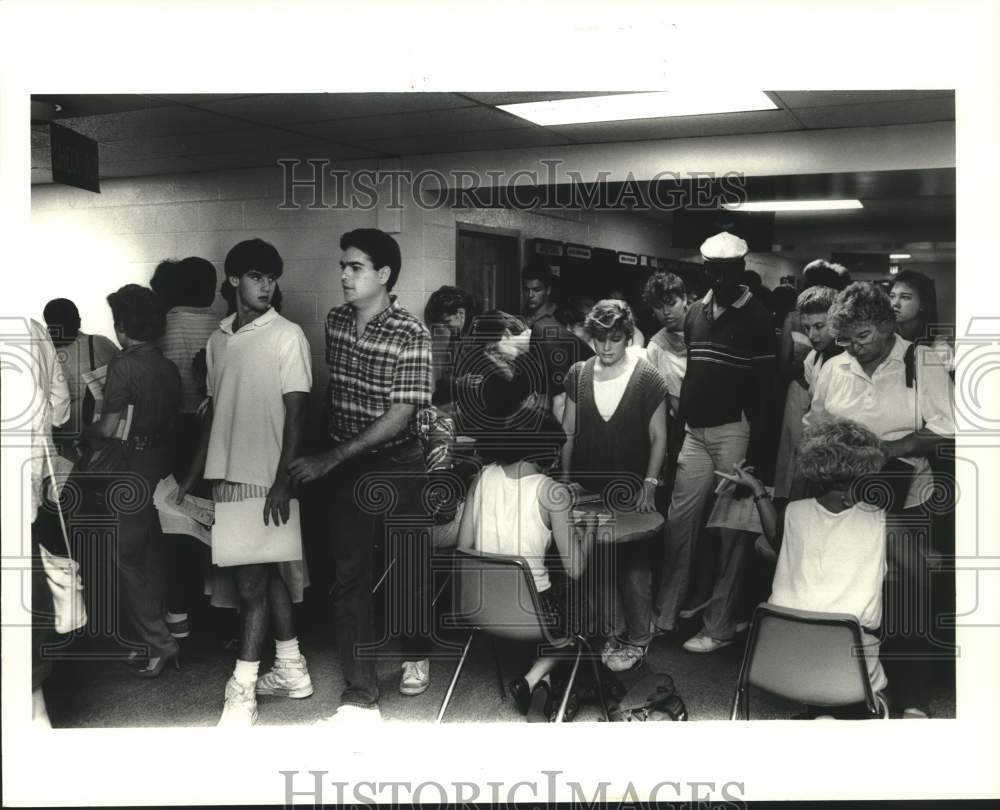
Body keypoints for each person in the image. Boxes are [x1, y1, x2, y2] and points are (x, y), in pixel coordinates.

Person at [288, 228, 434, 725]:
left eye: (355, 267)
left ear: (384, 274)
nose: (345, 275)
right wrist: (320, 448)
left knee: (407, 566)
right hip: (347, 465)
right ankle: (360, 693)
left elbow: (400, 415)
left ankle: (416, 652)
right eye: (343, 266)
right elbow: (337, 392)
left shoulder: (411, 333)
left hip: (399, 462)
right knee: (350, 576)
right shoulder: (335, 321)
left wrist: (332, 456)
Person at [176, 239, 313, 726]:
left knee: (251, 584)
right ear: (233, 280)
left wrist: (283, 480)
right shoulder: (218, 340)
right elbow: (214, 417)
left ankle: (243, 688)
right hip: (226, 478)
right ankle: (292, 667)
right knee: (267, 576)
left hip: (267, 478)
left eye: (272, 277)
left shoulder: (287, 335)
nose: (266, 285)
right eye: (256, 276)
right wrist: (189, 480)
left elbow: (298, 414)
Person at [804, 281, 955, 717]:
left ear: (888, 325)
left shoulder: (920, 360)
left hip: (905, 495)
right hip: (846, 494)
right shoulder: (836, 366)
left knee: (909, 592)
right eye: (845, 339)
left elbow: (947, 427)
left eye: (863, 337)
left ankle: (914, 697)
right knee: (851, 591)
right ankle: (848, 691)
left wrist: (892, 448)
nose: (854, 347)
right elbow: (816, 424)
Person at [653, 231, 776, 651]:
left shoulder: (758, 318)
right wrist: (675, 441)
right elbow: (693, 379)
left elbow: (765, 393)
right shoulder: (695, 315)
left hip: (734, 432)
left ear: (741, 269)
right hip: (694, 434)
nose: (718, 279)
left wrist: (758, 456)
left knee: (731, 533)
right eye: (711, 271)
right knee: (679, 525)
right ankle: (666, 615)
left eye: (726, 272)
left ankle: (720, 626)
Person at [722, 420, 890, 709]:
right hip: (849, 672)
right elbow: (924, 572)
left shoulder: (793, 513)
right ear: (867, 469)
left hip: (779, 663)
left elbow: (776, 541)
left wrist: (758, 490)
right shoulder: (883, 522)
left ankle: (818, 713)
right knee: (887, 690)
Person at [457, 407, 596, 721]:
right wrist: (590, 533)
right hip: (533, 613)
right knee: (584, 613)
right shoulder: (552, 492)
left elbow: (464, 549)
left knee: (554, 592)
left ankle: (542, 683)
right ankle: (532, 679)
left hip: (480, 605)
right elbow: (575, 569)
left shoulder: (481, 478)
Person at [561, 300, 668, 672]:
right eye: (600, 339)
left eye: (616, 339)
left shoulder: (647, 377)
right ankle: (613, 630)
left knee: (632, 564)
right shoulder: (578, 373)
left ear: (627, 337)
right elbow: (569, 433)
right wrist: (564, 482)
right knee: (596, 561)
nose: (606, 348)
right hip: (588, 486)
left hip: (631, 488)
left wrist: (650, 486)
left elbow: (659, 437)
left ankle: (639, 637)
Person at [82, 285, 181, 677]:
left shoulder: (123, 365)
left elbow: (108, 427)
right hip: (160, 461)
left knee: (123, 555)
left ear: (121, 325)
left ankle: (159, 642)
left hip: (130, 467)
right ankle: (150, 641)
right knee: (150, 554)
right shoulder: (168, 367)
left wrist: (87, 431)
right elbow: (172, 420)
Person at [154, 256, 220, 643]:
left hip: (178, 432)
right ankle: (221, 612)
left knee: (178, 525)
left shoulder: (164, 326)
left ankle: (179, 615)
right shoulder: (225, 327)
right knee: (219, 522)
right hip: (219, 431)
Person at [25, 318, 71, 725]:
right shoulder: (33, 328)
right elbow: (60, 407)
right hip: (26, 485)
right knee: (26, 585)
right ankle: (35, 704)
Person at [772, 286, 842, 500]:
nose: (812, 335)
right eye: (807, 327)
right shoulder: (813, 358)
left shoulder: (853, 360)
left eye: (820, 326)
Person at [42, 297, 119, 458]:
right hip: (64, 439)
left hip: (98, 435)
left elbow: (125, 379)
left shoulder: (97, 344)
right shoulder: (43, 353)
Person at [423, 285, 480, 408]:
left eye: (446, 322)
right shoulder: (455, 335)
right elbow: (446, 378)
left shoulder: (481, 335)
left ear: (460, 314)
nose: (443, 329)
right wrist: (459, 381)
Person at [889, 269, 954, 372]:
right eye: (892, 296)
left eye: (905, 297)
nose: (895, 303)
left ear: (923, 304)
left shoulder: (940, 352)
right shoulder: (886, 343)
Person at [521, 262, 558, 330]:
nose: (530, 295)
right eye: (526, 290)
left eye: (536, 290)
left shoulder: (559, 317)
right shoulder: (519, 317)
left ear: (548, 290)